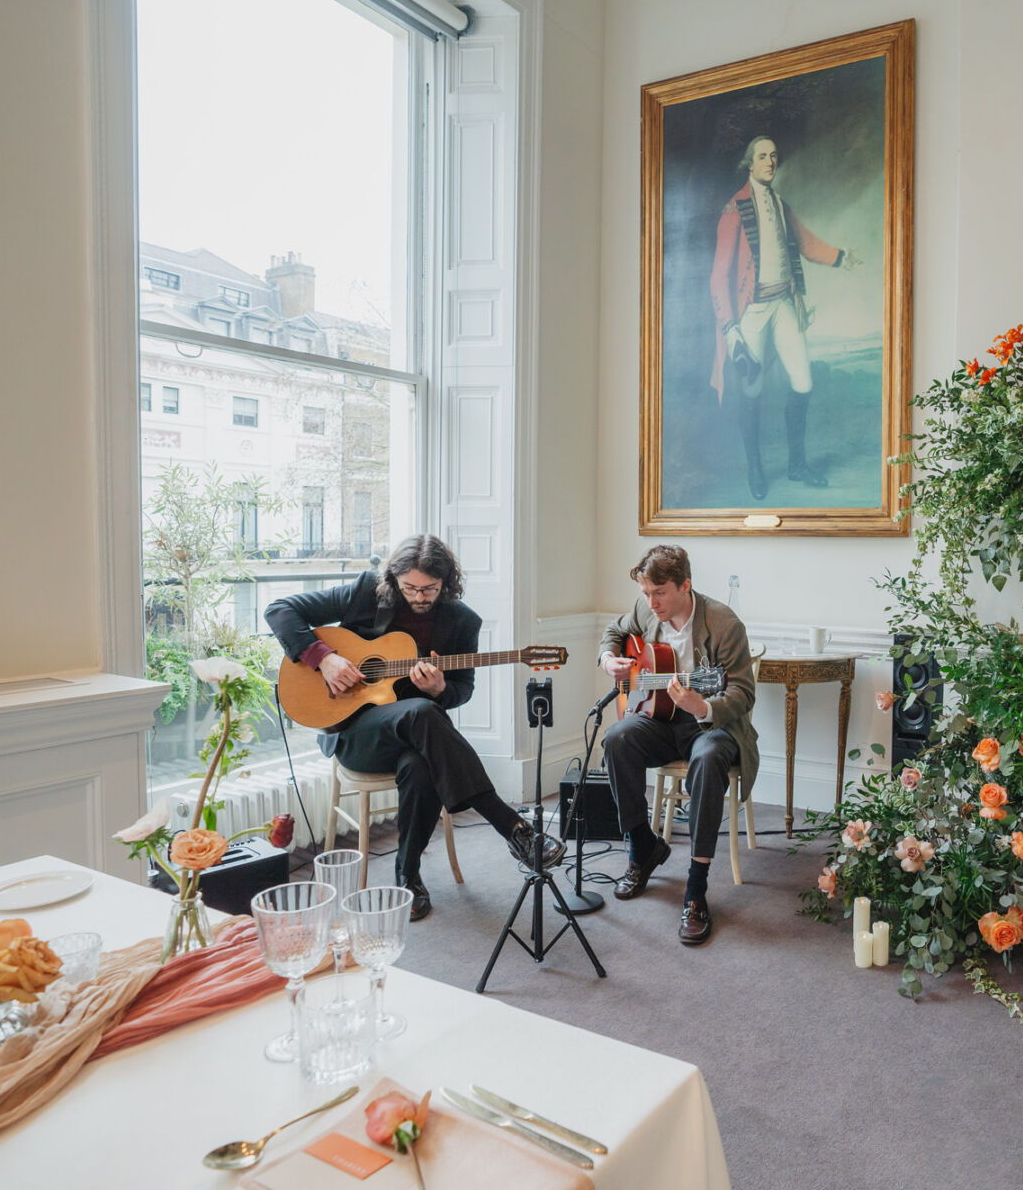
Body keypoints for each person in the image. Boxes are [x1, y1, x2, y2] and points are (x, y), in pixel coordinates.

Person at [266, 534, 562, 922]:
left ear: (447, 583)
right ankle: (512, 827)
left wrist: (440, 688)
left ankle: (407, 875)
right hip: (354, 732)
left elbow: (462, 690)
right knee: (421, 712)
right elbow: (279, 608)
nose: (420, 597)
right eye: (410, 588)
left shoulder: (462, 621)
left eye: (430, 589)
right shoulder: (364, 592)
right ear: (394, 580)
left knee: (420, 761)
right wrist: (325, 660)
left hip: (412, 736)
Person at [598, 545, 757, 945]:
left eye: (660, 593)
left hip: (712, 724)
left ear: (686, 585)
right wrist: (608, 658)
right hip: (662, 717)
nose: (651, 603)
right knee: (617, 738)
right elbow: (614, 631)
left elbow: (742, 691)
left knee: (706, 757)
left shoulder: (723, 623)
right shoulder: (645, 607)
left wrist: (703, 705)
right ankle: (642, 848)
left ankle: (696, 888)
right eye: (646, 593)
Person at [710, 135, 862, 500]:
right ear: (750, 164)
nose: (770, 162)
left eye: (774, 156)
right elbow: (719, 275)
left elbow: (807, 244)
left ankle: (797, 464)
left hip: (783, 305)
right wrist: (731, 329)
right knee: (752, 389)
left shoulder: (780, 204)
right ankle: (756, 468)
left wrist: (841, 257)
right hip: (752, 311)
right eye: (763, 157)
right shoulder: (734, 210)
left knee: (803, 381)